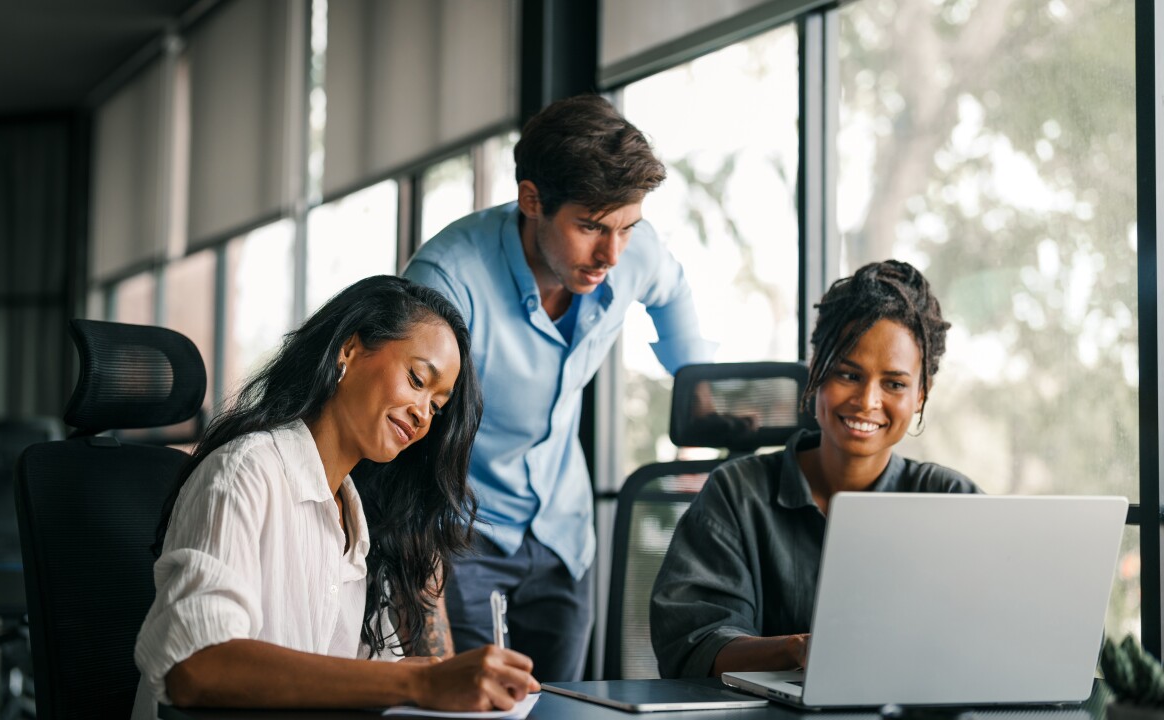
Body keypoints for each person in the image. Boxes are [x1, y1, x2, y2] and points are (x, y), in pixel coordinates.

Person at [403, 94, 715, 681]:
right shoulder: (447, 279)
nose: (610, 254)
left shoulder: (627, 251)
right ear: (532, 200)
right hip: (463, 535)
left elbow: (672, 291)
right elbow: (409, 438)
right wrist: (423, 590)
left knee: (561, 707)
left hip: (564, 535)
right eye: (591, 227)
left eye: (627, 227)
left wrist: (693, 390)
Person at [131, 276, 539, 718]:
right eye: (417, 379)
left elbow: (361, 682)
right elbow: (195, 667)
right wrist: (417, 682)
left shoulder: (357, 518)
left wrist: (431, 678)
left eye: (437, 407)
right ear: (349, 349)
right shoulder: (245, 473)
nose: (424, 415)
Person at [649, 259, 981, 679]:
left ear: (920, 394)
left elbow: (991, 631)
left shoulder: (950, 501)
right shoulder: (736, 494)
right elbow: (692, 645)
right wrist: (800, 651)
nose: (867, 401)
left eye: (894, 384)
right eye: (848, 373)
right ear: (816, 372)